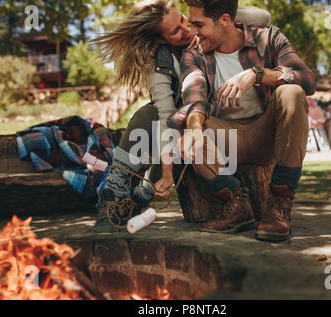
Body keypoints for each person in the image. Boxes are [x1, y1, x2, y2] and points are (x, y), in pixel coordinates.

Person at [90, 0, 271, 233]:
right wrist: (166, 172)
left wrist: (215, 18)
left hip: (218, 118)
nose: (186, 30)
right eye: (175, 30)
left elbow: (263, 17)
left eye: (184, 20)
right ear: (160, 40)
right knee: (150, 114)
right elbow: (166, 114)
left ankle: (139, 197)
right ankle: (113, 195)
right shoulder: (158, 63)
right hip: (181, 127)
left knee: (179, 126)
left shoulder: (206, 27)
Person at [171, 0, 316, 241]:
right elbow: (194, 94)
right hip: (225, 141)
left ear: (225, 20)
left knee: (292, 92)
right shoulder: (193, 52)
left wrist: (258, 74)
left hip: (265, 135)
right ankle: (236, 205)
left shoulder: (267, 38)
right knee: (188, 123)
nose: (191, 32)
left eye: (198, 24)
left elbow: (308, 80)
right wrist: (195, 129)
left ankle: (280, 204)